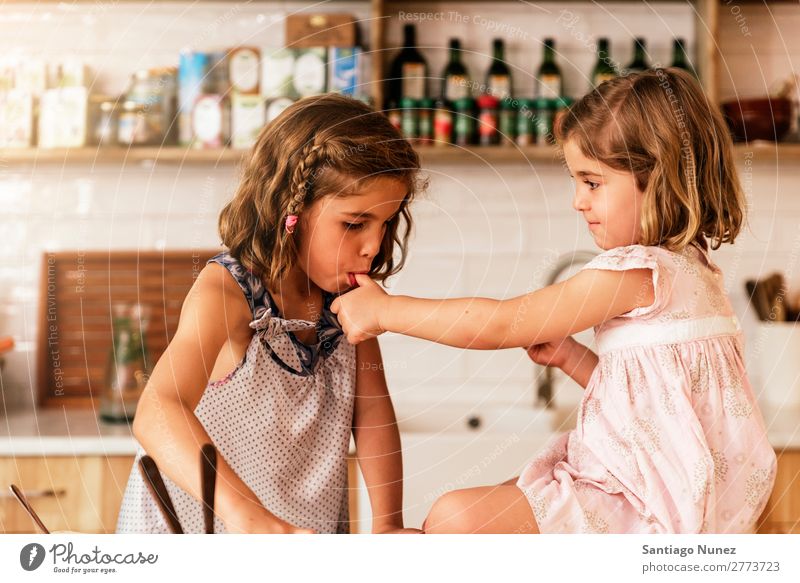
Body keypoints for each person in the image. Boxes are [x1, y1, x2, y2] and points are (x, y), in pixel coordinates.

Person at [332, 68, 777, 534]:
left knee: (453, 518)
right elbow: (655, 406)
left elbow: (503, 323)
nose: (577, 202)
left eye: (592, 182)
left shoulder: (636, 271)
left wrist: (386, 310)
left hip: (637, 504)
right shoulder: (697, 273)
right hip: (677, 504)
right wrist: (572, 356)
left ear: (658, 177)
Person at [116, 94, 425, 533]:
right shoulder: (226, 293)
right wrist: (249, 517)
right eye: (354, 224)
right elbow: (157, 410)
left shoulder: (350, 301)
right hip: (199, 534)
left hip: (299, 536)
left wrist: (388, 524)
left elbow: (372, 413)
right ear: (291, 213)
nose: (373, 246)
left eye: (385, 223)